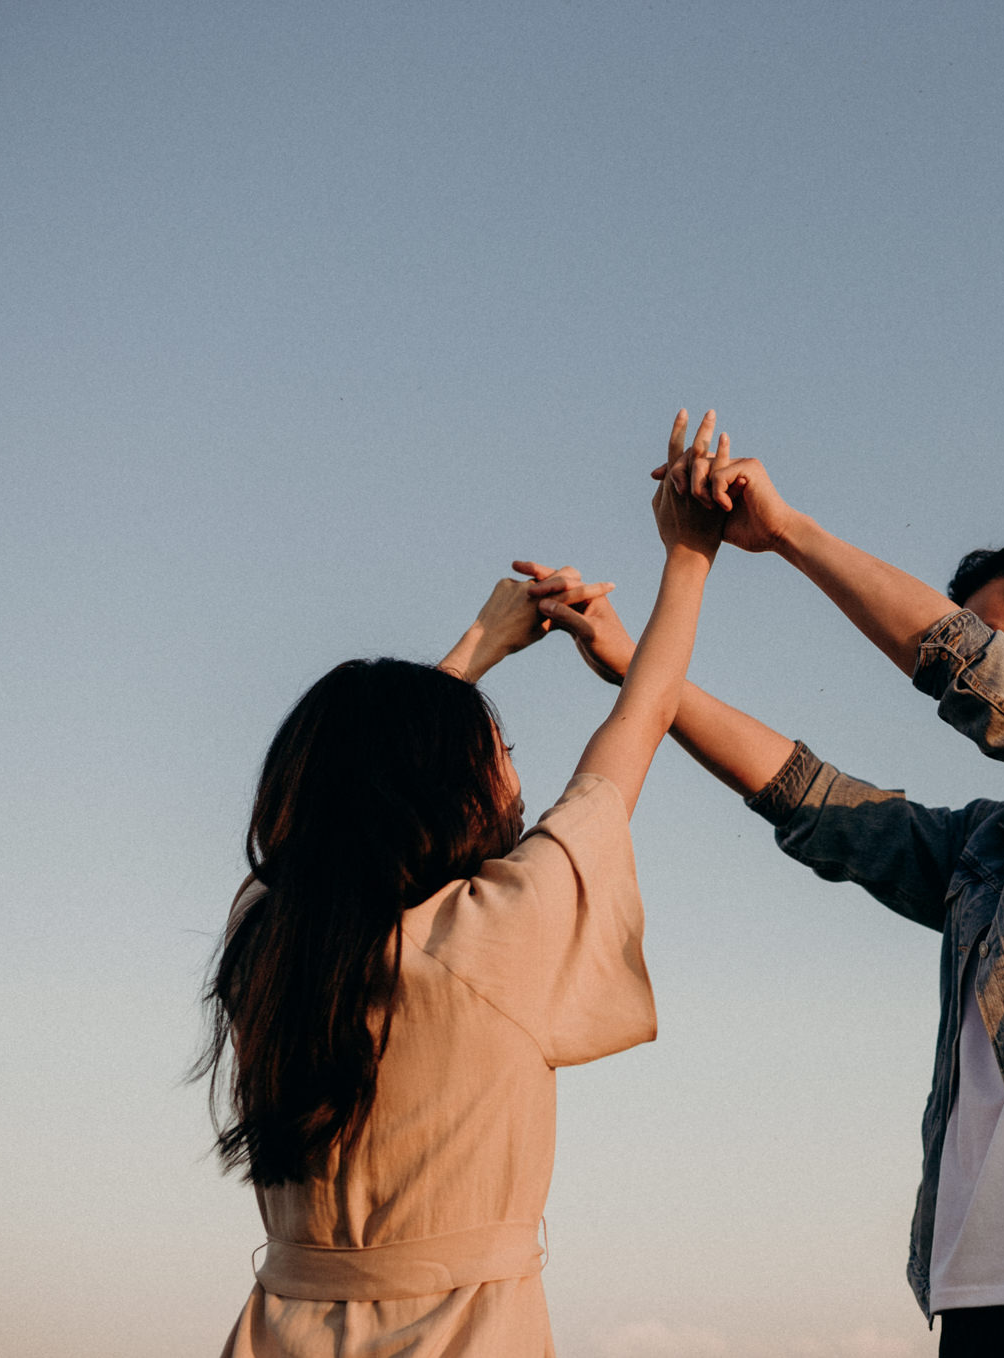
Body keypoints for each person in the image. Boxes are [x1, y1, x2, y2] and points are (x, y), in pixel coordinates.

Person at [525, 435, 1004, 1357]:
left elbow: (983, 681)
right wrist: (643, 669)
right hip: (975, 1299)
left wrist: (789, 532)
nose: (982, 664)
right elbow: (818, 802)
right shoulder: (991, 847)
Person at [200, 411, 729, 1358]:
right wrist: (689, 556)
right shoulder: (497, 931)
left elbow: (346, 791)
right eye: (501, 754)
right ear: (450, 790)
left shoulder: (266, 941)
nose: (514, 777)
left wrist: (473, 648)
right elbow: (640, 721)